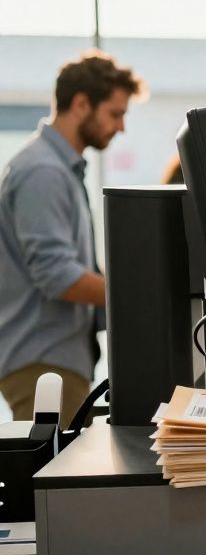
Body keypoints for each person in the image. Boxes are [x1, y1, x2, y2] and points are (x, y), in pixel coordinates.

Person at [0, 50, 144, 426]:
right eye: (115, 114)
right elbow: (57, 274)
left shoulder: (59, 169)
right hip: (43, 364)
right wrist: (139, 299)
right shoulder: (42, 173)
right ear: (81, 104)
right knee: (53, 483)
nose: (121, 127)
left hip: (56, 359)